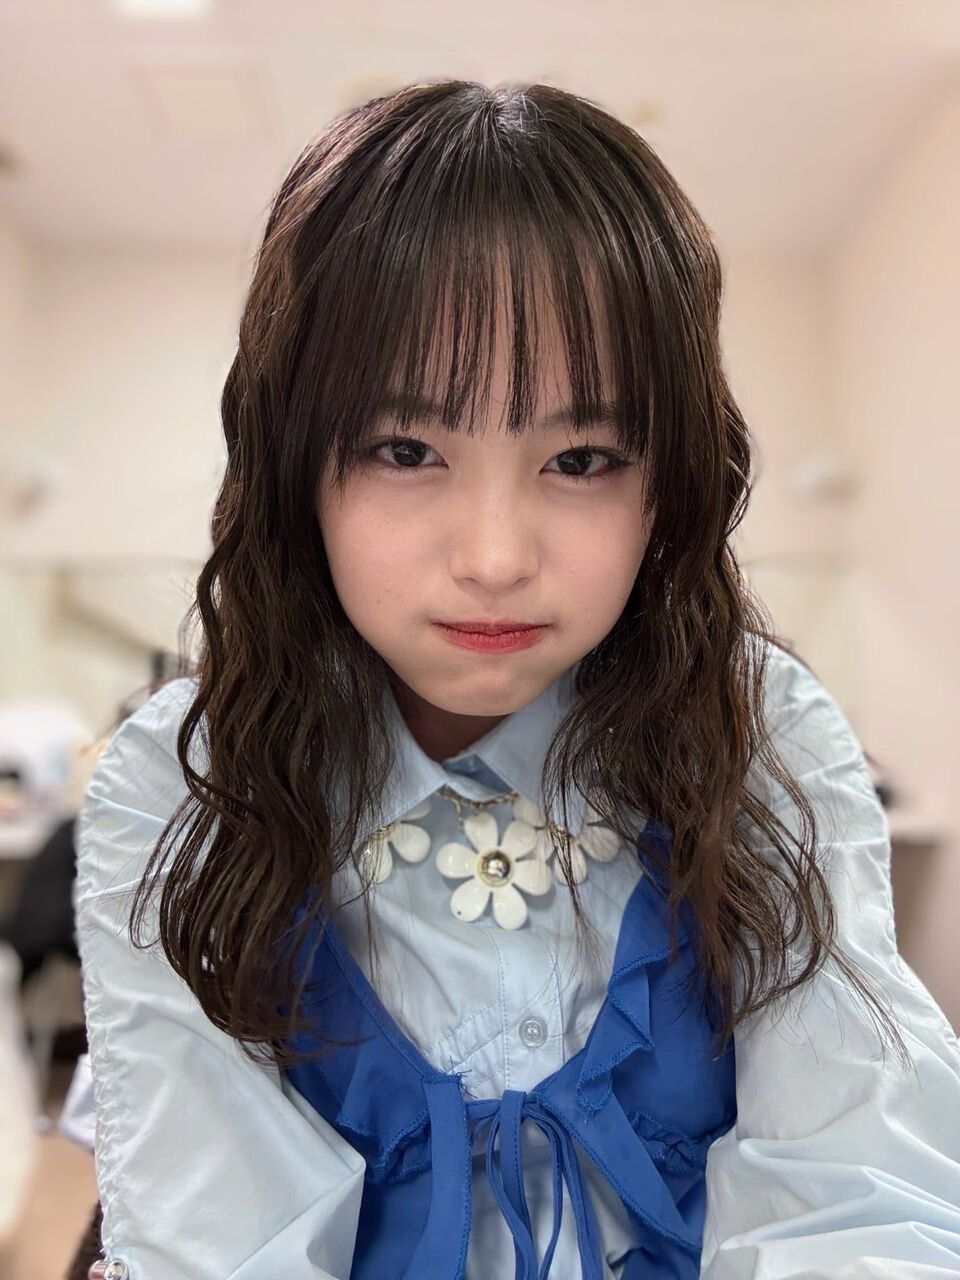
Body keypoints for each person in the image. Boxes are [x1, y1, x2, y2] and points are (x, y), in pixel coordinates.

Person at [73, 79, 960, 1280]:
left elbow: (857, 1194)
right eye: (406, 448)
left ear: (670, 482)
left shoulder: (754, 728)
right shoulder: (191, 783)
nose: (495, 557)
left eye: (581, 458)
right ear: (294, 463)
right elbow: (218, 1249)